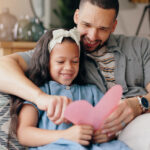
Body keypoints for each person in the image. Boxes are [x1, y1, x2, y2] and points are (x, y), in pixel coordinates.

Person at [0, 0, 150, 149]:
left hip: (137, 123)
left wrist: (139, 104)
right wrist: (40, 98)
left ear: (113, 26)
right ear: (77, 16)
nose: (92, 36)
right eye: (86, 25)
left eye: (103, 28)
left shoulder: (141, 47)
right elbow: (2, 67)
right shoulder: (59, 48)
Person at [9, 28, 130, 150]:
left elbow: (110, 121)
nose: (68, 67)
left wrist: (106, 135)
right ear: (46, 62)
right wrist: (65, 135)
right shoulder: (40, 92)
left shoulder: (91, 91)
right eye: (60, 61)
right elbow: (24, 134)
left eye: (75, 61)